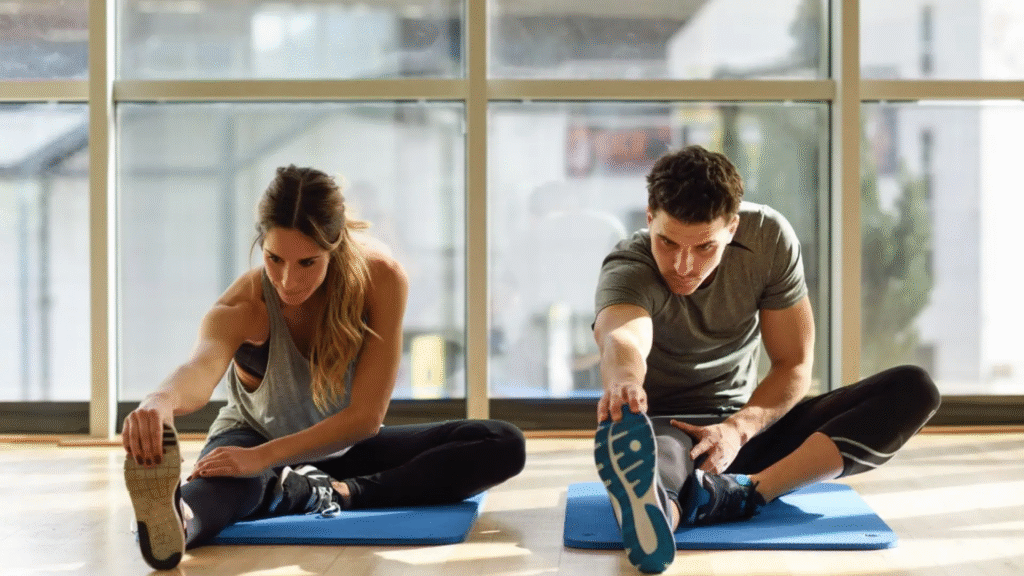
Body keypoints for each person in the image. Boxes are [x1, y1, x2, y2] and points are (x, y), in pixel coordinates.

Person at [122, 165, 526, 571]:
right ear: (261, 243)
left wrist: (269, 457)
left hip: (342, 444)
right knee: (230, 486)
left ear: (334, 246)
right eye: (274, 258)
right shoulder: (244, 304)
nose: (287, 280)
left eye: (307, 263)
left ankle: (334, 492)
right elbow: (200, 368)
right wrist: (161, 401)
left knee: (501, 442)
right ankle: (179, 523)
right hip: (251, 438)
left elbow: (365, 419)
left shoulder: (381, 280)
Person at [592, 145, 940, 573]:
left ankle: (746, 492)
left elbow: (794, 363)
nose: (683, 265)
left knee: (913, 389)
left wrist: (738, 430)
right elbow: (624, 337)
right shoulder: (629, 264)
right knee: (653, 469)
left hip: (750, 427)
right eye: (668, 242)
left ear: (733, 227)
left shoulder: (768, 238)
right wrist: (624, 382)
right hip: (669, 430)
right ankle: (660, 514)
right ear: (650, 218)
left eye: (704, 247)